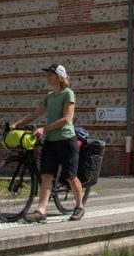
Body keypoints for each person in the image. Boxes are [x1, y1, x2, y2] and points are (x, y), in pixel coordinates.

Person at [11, 64, 85, 222]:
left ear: (60, 77)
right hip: (51, 141)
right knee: (46, 176)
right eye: (47, 74)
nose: (47, 77)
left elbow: (67, 119)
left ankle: (79, 207)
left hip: (66, 140)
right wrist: (18, 123)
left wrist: (44, 129)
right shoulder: (50, 96)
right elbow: (37, 113)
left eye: (50, 74)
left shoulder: (68, 94)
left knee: (71, 176)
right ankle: (41, 211)